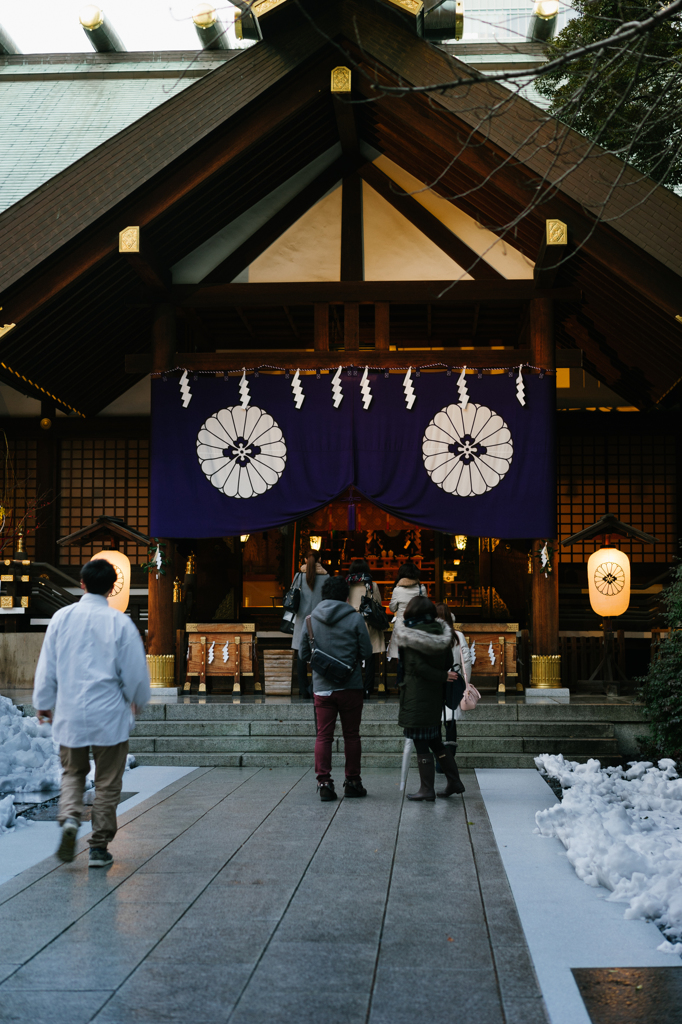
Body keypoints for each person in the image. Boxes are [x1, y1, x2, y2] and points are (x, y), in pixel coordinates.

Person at [33, 559, 150, 868]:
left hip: (71, 712)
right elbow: (136, 671)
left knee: (72, 773)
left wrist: (43, 702)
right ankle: (98, 847)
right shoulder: (120, 623)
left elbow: (48, 666)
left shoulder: (61, 618)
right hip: (110, 713)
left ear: (82, 584)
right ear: (113, 588)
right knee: (108, 782)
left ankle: (70, 817)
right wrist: (137, 698)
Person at [298, 575, 373, 801]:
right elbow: (367, 653)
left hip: (322, 688)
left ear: (323, 596)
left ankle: (324, 783)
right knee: (351, 735)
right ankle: (353, 781)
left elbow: (303, 654)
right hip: (351, 686)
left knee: (323, 736)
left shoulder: (310, 620)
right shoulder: (356, 619)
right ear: (347, 596)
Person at [395, 594, 465, 801]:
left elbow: (416, 667)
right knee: (435, 740)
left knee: (421, 742)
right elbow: (446, 664)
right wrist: (442, 676)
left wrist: (439, 675)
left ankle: (427, 788)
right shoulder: (442, 635)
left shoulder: (411, 635)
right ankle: (454, 781)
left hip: (416, 696)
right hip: (435, 696)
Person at [434, 602, 470, 785]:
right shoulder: (458, 636)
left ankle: (438, 761)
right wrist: (465, 684)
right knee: (451, 722)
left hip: (436, 683)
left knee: (435, 722)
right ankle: (449, 760)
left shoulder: (431, 634)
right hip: (454, 682)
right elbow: (466, 661)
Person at [291, 548, 328, 699]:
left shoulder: (299, 577)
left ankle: (302, 689)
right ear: (319, 560)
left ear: (305, 560)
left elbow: (292, 597)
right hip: (320, 621)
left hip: (301, 620)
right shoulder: (327, 578)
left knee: (301, 655)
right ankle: (315, 687)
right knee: (318, 654)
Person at [346, 558, 385, 699]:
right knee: (370, 658)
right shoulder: (372, 585)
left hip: (351, 622)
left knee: (353, 657)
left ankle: (354, 687)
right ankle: (368, 689)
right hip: (368, 622)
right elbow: (378, 603)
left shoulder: (347, 585)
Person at [387, 561, 425, 682]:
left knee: (400, 657)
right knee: (416, 656)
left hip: (401, 627)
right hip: (417, 626)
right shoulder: (421, 588)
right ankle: (415, 683)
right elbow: (426, 607)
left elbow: (392, 608)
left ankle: (401, 683)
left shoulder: (398, 590)